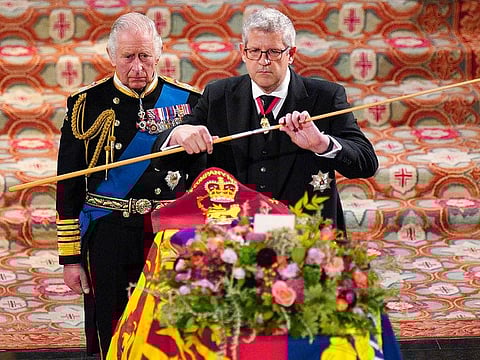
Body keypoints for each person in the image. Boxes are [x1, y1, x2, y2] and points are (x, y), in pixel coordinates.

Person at [55, 12, 203, 358]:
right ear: (111, 56)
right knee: (115, 325)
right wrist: (70, 258)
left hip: (168, 236)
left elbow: (201, 182)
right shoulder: (85, 106)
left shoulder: (188, 103)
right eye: (128, 57)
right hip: (110, 231)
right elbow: (68, 186)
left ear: (159, 53)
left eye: (145, 56)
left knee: (170, 327)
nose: (137, 67)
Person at [154, 7, 378, 235]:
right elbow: (166, 158)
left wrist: (322, 144)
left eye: (273, 52)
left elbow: (367, 163)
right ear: (242, 52)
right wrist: (178, 134)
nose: (263, 61)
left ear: (291, 54)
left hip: (305, 236)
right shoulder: (218, 95)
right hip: (234, 235)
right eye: (255, 51)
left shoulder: (326, 97)